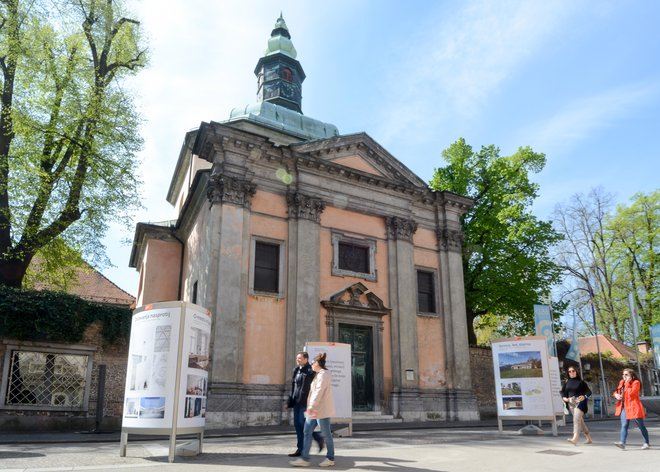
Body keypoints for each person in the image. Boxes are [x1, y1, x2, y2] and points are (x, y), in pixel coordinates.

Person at [290, 352, 336, 467]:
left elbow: (318, 391)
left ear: (317, 363)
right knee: (306, 431)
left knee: (326, 434)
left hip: (320, 410)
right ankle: (305, 458)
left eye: (312, 362)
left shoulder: (324, 374)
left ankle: (330, 458)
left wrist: (311, 406)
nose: (311, 364)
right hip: (314, 410)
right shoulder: (318, 374)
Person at [286, 351, 322, 457]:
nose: (298, 360)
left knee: (304, 426)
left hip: (306, 403)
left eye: (300, 358)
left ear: (306, 359)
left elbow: (316, 387)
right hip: (297, 402)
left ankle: (318, 438)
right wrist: (289, 401)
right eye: (297, 358)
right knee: (298, 426)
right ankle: (300, 449)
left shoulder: (311, 371)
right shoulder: (296, 370)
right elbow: (293, 387)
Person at [613, 368, 650, 450]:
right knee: (624, 425)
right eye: (623, 374)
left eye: (626, 374)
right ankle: (622, 443)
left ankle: (646, 442)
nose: (624, 376)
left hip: (634, 406)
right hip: (624, 407)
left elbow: (632, 394)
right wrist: (616, 395)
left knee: (641, 426)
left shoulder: (636, 383)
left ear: (632, 376)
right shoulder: (621, 382)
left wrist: (627, 383)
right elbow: (616, 391)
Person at [560, 366, 592, 445]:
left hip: (580, 402)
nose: (571, 373)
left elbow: (589, 392)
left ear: (576, 371)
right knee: (580, 422)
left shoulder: (581, 382)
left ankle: (575, 438)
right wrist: (564, 397)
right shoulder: (567, 381)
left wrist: (584, 396)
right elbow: (562, 391)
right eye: (569, 371)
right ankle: (589, 439)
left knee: (576, 419)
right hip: (571, 403)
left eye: (573, 371)